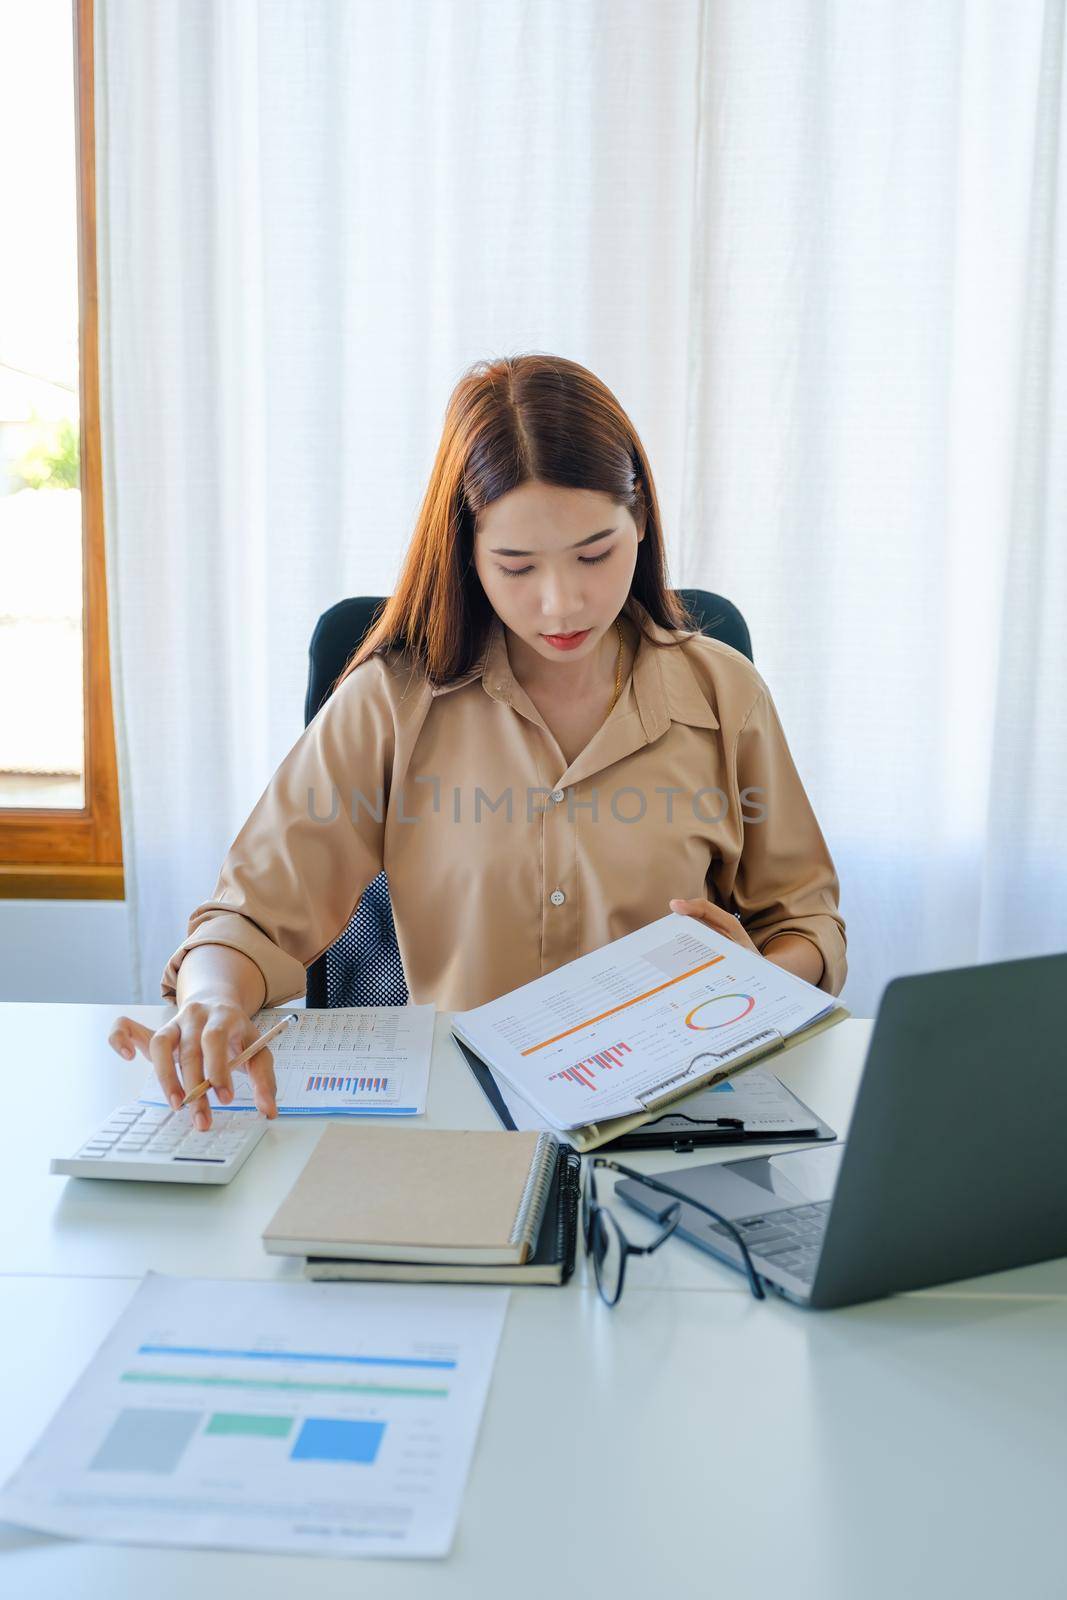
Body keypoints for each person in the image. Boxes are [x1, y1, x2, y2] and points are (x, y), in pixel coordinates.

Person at [110, 353, 846, 1128]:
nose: (561, 602)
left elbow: (805, 923)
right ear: (466, 553)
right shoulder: (390, 703)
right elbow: (251, 918)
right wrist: (211, 1001)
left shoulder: (723, 694)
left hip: (681, 1112)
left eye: (596, 554)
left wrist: (754, 974)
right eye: (516, 565)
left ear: (641, 523)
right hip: (462, 1122)